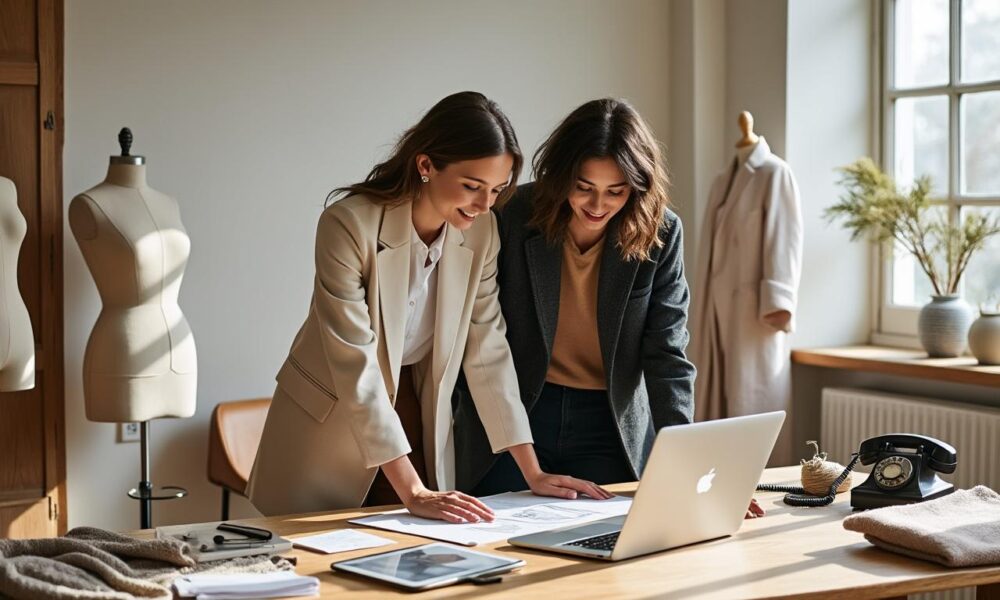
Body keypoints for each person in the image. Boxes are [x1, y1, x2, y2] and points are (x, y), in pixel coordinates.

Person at [247, 92, 610, 523]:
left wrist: (533, 471)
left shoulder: (482, 233)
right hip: (333, 412)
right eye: (472, 186)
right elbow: (354, 362)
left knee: (413, 545)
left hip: (414, 403)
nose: (485, 205)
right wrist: (414, 489)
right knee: (317, 547)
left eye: (496, 190)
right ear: (426, 165)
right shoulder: (348, 225)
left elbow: (487, 348)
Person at [455, 98, 765, 519]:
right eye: (584, 187)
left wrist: (693, 468)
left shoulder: (661, 232)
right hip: (518, 411)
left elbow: (667, 356)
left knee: (609, 536)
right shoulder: (512, 215)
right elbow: (480, 333)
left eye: (616, 191)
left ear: (636, 188)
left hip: (608, 421)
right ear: (561, 175)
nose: (597, 205)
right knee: (493, 531)